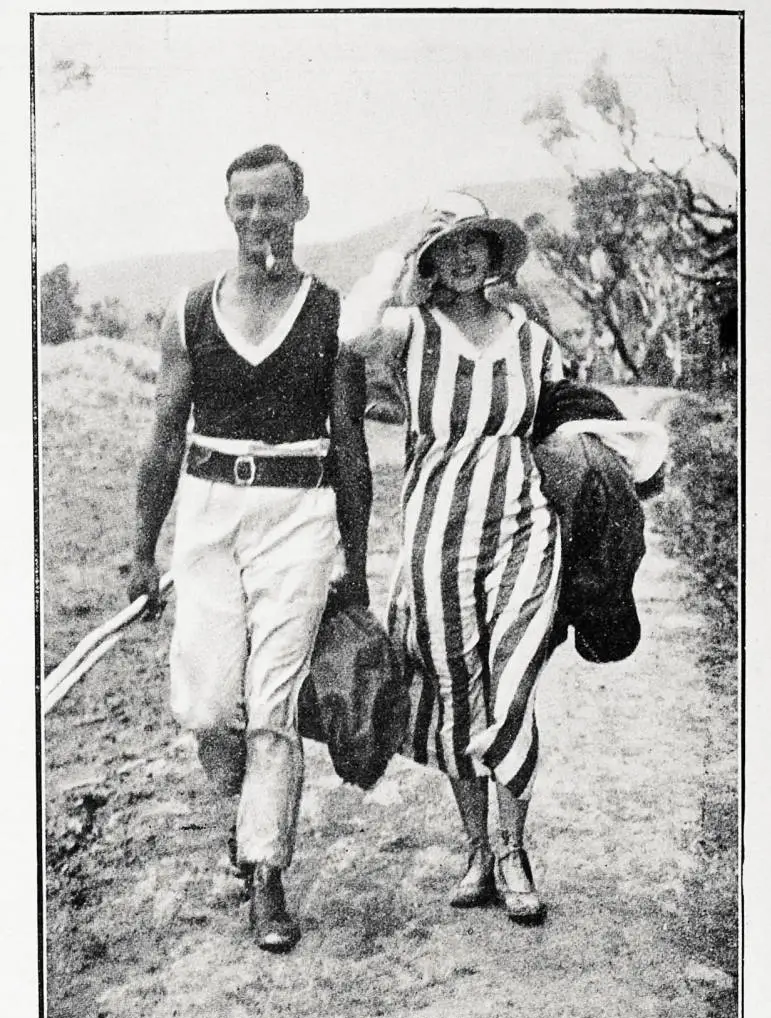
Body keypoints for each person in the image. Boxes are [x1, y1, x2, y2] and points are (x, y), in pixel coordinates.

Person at [340, 191, 665, 925]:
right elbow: (351, 328)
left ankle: (515, 850)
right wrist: (398, 250)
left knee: (511, 682)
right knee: (456, 690)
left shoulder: (528, 335)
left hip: (520, 520)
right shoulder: (407, 329)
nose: (460, 256)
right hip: (436, 529)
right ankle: (477, 850)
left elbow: (569, 416)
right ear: (430, 257)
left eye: (473, 243)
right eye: (445, 245)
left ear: (492, 256)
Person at [127, 144, 372, 952]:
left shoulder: (333, 315)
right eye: (244, 204)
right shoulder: (191, 310)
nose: (258, 218)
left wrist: (356, 562)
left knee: (272, 705)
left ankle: (266, 873)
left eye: (273, 203)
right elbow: (164, 439)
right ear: (226, 209)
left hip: (297, 515)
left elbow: (350, 447)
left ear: (301, 208)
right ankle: (245, 822)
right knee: (204, 705)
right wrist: (141, 549)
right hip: (206, 511)